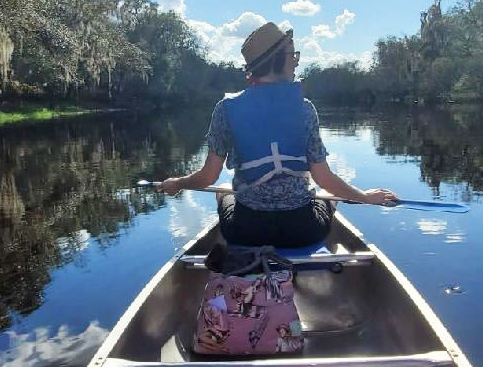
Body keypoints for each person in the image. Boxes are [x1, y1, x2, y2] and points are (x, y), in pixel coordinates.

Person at [159, 21, 398, 248]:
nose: (296, 62)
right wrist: (364, 197)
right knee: (328, 196)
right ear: (277, 60)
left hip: (245, 231)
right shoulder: (305, 109)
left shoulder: (225, 109)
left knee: (222, 191)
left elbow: (207, 177)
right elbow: (324, 178)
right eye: (292, 55)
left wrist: (178, 183)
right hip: (303, 231)